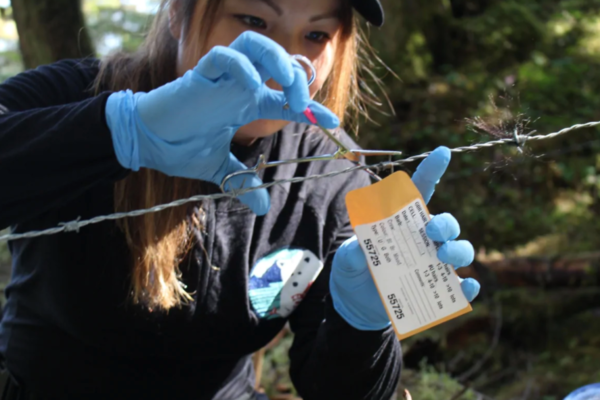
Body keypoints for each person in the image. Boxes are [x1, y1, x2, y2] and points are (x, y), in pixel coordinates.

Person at [0, 0, 481, 399]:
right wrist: (122, 131)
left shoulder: (334, 176)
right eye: (254, 22)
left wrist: (362, 325)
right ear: (177, 14)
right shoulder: (79, 94)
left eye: (315, 36)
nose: (287, 61)